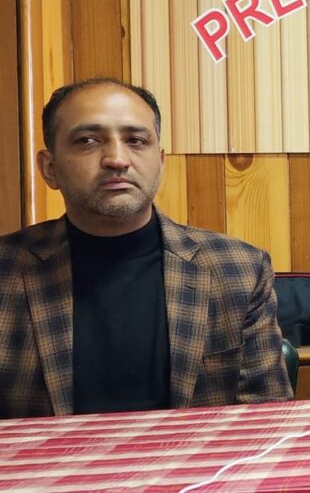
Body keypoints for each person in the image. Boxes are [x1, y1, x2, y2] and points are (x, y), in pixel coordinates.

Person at [0, 78, 292, 419]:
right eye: (87, 141)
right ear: (50, 168)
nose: (116, 159)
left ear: (160, 161)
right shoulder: (8, 270)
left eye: (136, 141)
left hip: (194, 455)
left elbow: (266, 420)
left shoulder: (238, 269)